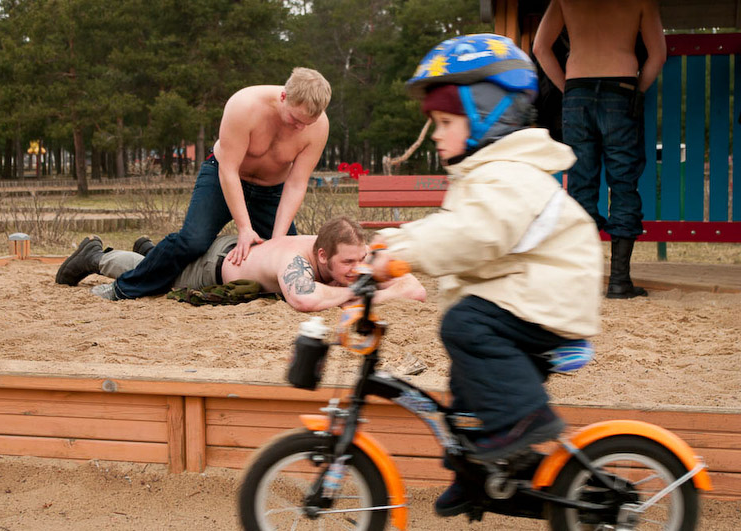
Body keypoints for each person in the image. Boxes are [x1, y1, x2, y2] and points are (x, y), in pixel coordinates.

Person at [370, 34, 602, 517]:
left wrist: (404, 257)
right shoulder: (483, 175)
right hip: (522, 291)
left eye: (446, 121)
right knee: (466, 388)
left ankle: (527, 426)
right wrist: (391, 244)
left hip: (550, 296)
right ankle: (478, 473)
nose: (435, 134)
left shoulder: (511, 174)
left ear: (488, 115)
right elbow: (451, 228)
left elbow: (473, 235)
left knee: (465, 326)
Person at [105, 67, 332, 301]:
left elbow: (296, 183)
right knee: (193, 242)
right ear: (284, 97)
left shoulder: (318, 127)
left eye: (308, 123)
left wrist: (278, 240)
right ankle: (123, 288)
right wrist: (244, 229)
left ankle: (151, 254)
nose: (300, 128)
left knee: (289, 258)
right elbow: (229, 169)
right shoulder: (244, 106)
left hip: (271, 191)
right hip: (222, 178)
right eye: (296, 119)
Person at [533, 0, 667, 298]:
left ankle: (582, 280)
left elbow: (540, 48)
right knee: (623, 182)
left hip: (577, 91)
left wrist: (567, 88)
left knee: (582, 183)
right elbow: (658, 55)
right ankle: (619, 280)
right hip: (621, 90)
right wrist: (638, 91)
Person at [56, 217, 426, 312]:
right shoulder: (294, 260)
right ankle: (97, 255)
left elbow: (414, 288)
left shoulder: (348, 256)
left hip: (236, 253)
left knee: (159, 261)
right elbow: (304, 300)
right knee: (156, 278)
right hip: (213, 267)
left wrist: (366, 289)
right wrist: (360, 294)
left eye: (360, 260)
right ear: (323, 256)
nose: (355, 269)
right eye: (347, 263)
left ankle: (151, 248)